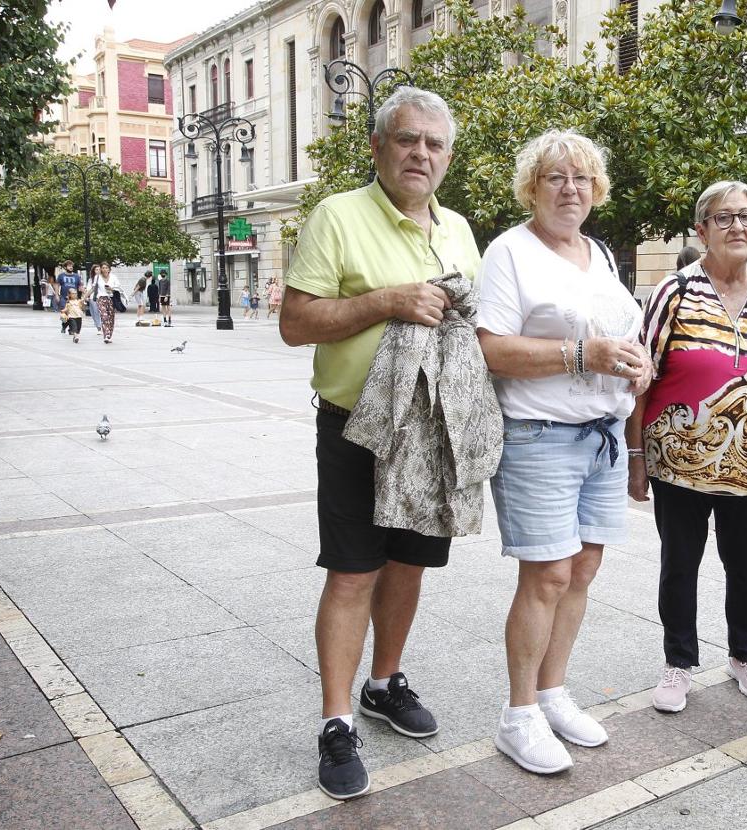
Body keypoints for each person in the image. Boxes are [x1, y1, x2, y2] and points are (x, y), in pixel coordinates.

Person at [278, 87, 481, 801]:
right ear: (377, 147)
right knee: (352, 572)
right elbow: (296, 323)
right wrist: (389, 300)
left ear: (447, 158)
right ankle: (337, 722)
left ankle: (384, 683)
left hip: (432, 433)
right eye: (406, 139)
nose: (420, 153)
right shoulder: (337, 217)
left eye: (434, 143)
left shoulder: (457, 228)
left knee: (408, 567)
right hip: (356, 427)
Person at [477, 129, 651, 775]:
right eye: (555, 177)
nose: (570, 188)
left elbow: (622, 335)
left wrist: (638, 362)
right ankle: (518, 715)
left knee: (582, 572)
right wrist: (584, 355)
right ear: (533, 187)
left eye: (581, 178)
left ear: (596, 188)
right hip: (541, 434)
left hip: (601, 435)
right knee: (547, 574)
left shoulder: (598, 254)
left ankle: (552, 694)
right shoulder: (510, 252)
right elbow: (490, 347)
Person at [626, 181, 747, 714]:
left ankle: (745, 654)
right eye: (723, 218)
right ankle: (678, 662)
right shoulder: (673, 291)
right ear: (702, 231)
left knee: (746, 565)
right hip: (678, 459)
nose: (737, 227)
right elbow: (640, 377)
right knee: (680, 562)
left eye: (746, 217)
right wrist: (635, 457)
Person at [89, 262, 120, 344]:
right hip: (101, 298)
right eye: (103, 268)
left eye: (106, 268)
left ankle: (109, 335)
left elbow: (118, 288)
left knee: (111, 318)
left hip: (111, 298)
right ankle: (106, 335)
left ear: (109, 269)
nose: (105, 269)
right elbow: (93, 288)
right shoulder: (97, 277)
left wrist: (111, 288)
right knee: (104, 316)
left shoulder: (113, 277)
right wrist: (84, 297)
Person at [57, 260, 82, 330]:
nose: (71, 267)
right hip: (64, 297)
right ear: (65, 267)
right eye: (69, 266)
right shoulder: (61, 276)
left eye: (71, 266)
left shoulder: (76, 276)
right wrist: (56, 295)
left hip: (73, 299)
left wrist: (83, 294)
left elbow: (80, 286)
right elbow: (57, 285)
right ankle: (64, 325)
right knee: (64, 313)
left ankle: (71, 329)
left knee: (72, 314)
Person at [86, 265, 104, 333]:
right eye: (96, 269)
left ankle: (100, 327)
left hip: (100, 297)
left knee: (98, 312)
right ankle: (98, 326)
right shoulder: (91, 279)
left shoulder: (103, 278)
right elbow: (89, 289)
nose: (98, 271)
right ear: (94, 271)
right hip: (92, 298)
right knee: (93, 313)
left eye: (99, 269)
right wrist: (86, 297)